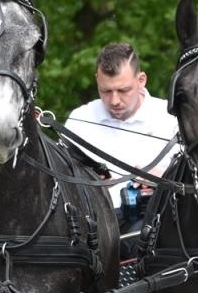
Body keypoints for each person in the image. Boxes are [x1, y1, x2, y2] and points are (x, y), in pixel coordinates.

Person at [64, 42, 179, 228]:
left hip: (157, 229)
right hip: (93, 230)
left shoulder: (170, 119)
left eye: (124, 90)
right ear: (97, 81)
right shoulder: (79, 121)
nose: (114, 101)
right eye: (106, 91)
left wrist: (166, 179)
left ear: (141, 80)